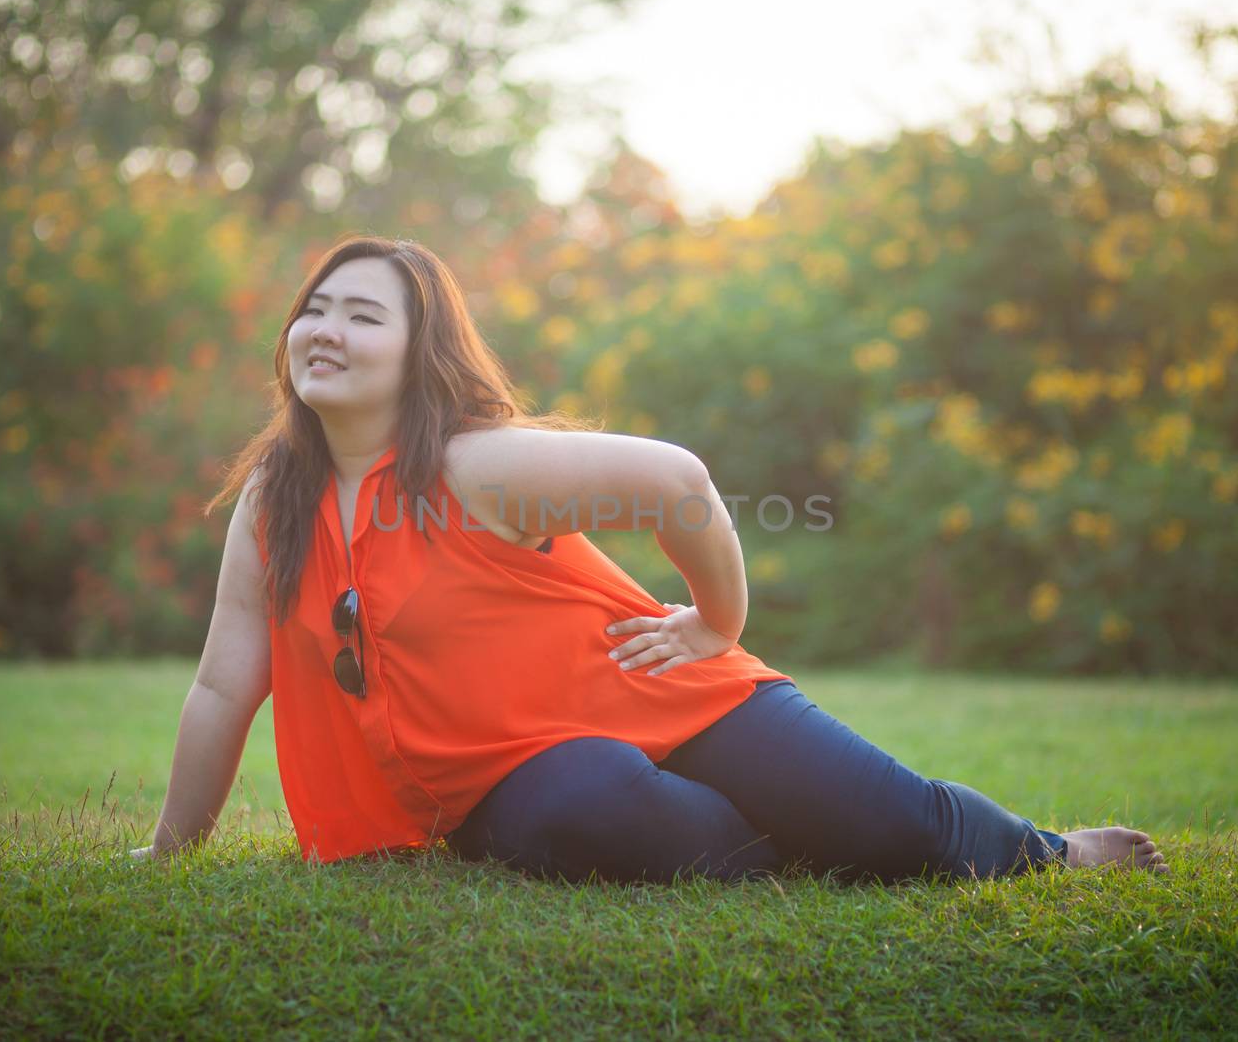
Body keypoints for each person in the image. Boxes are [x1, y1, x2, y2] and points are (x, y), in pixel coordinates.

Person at [129, 234, 1169, 883]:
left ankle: (1048, 851)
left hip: (676, 690)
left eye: (363, 314)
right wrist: (176, 843)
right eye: (314, 306)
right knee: (588, 807)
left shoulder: (477, 464)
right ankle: (799, 851)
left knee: (890, 821)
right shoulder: (276, 499)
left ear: (419, 354)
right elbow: (227, 679)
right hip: (523, 773)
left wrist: (715, 621)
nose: (325, 327)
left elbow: (677, 480)